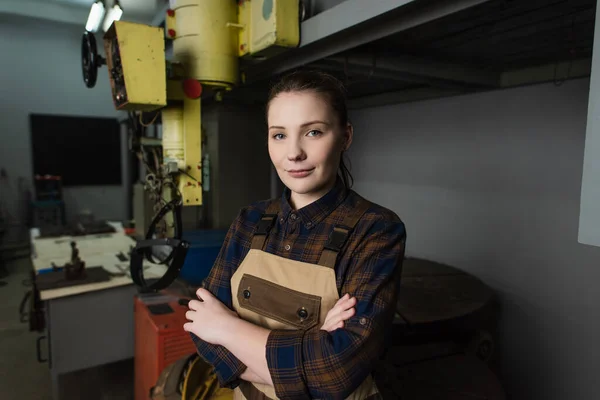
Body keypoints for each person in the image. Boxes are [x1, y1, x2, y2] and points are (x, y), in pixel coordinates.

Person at [183, 70, 406, 400]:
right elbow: (200, 325)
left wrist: (227, 327)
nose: (294, 153)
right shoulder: (250, 220)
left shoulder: (375, 230)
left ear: (345, 136)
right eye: (279, 135)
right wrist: (310, 352)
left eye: (313, 132)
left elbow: (335, 373)